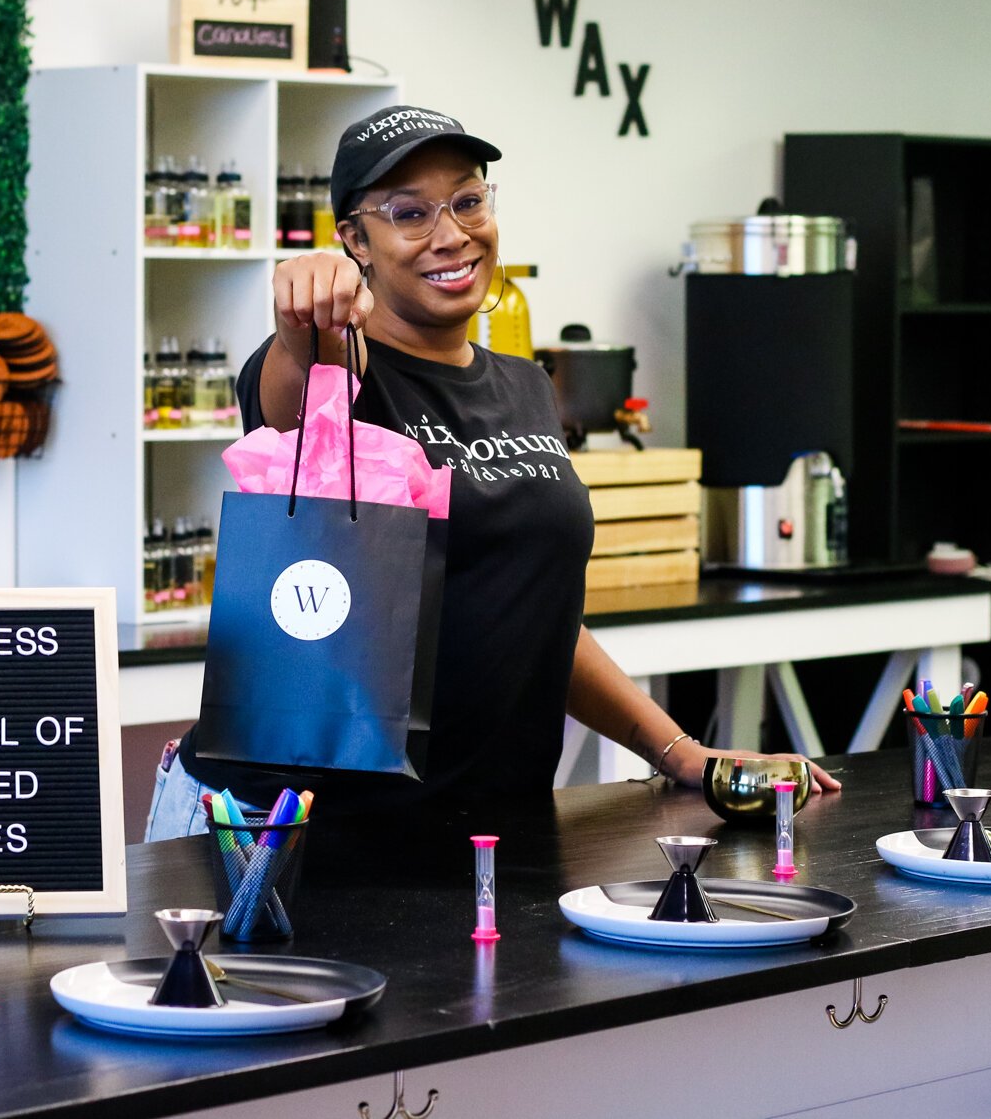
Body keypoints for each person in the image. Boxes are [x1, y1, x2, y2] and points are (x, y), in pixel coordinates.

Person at [146, 105, 838, 842]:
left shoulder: (524, 385)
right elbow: (290, 403)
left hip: (472, 830)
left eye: (469, 200)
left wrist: (682, 753)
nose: (451, 234)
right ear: (355, 239)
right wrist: (304, 314)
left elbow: (538, 619)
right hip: (280, 828)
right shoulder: (342, 371)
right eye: (410, 213)